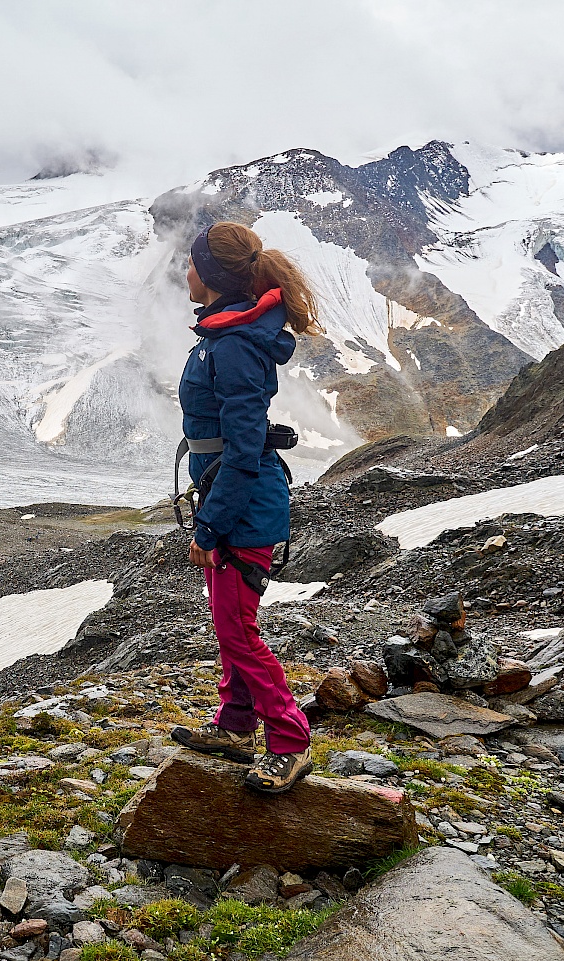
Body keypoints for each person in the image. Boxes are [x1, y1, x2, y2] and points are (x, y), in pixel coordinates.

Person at [170, 221, 322, 794]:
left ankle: (290, 739)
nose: (183, 273)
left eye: (190, 264)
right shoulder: (224, 337)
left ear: (208, 275)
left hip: (243, 504)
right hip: (234, 498)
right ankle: (235, 726)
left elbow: (241, 448)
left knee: (238, 631)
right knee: (230, 624)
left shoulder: (232, 346)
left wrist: (209, 529)